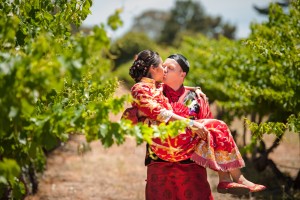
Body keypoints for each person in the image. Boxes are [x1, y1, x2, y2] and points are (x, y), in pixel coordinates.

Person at [123, 50, 266, 198]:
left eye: (170, 68)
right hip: (159, 166)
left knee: (216, 127)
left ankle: (228, 179)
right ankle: (234, 178)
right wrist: (140, 113)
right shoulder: (153, 90)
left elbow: (209, 134)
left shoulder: (197, 98)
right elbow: (126, 122)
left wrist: (193, 89)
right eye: (163, 66)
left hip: (191, 167)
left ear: (182, 75)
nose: (164, 70)